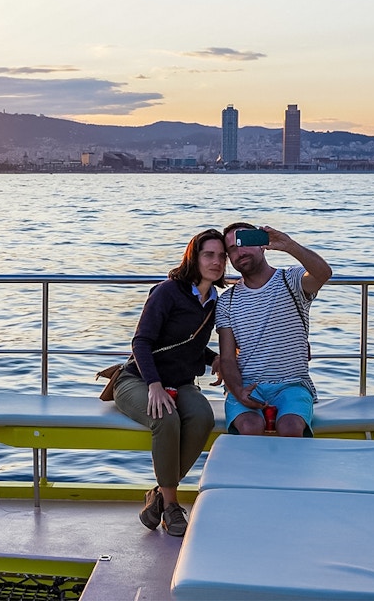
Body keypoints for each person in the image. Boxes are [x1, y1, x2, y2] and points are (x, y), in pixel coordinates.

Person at [112, 229, 227, 537]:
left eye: (221, 256)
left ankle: (158, 495)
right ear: (194, 257)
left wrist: (213, 358)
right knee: (166, 417)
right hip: (138, 379)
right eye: (208, 255)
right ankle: (172, 506)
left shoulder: (215, 301)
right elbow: (142, 342)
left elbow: (186, 344)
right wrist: (154, 384)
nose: (216, 262)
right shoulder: (168, 291)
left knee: (203, 417)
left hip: (181, 382)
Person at [215, 223, 332, 438]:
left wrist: (288, 245)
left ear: (261, 245)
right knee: (250, 427)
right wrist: (239, 392)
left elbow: (324, 273)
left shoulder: (292, 281)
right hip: (248, 385)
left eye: (245, 243)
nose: (239, 252)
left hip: (292, 384)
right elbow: (228, 359)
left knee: (291, 428)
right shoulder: (227, 302)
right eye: (231, 249)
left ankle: (289, 473)